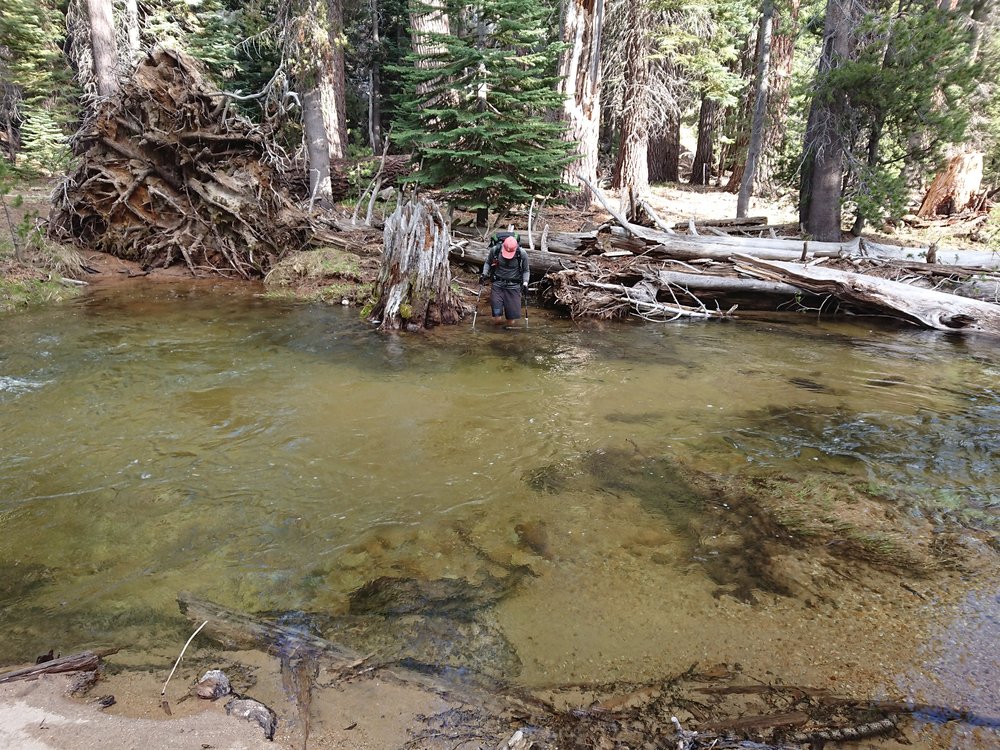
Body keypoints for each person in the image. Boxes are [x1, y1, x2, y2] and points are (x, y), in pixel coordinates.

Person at [480, 234, 530, 327]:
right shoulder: (495, 250)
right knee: (496, 317)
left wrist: (525, 283)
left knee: (510, 320)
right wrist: (484, 274)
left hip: (514, 288)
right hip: (497, 286)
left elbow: (526, 270)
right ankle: (495, 333)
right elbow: (488, 262)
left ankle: (507, 336)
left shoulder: (522, 253)